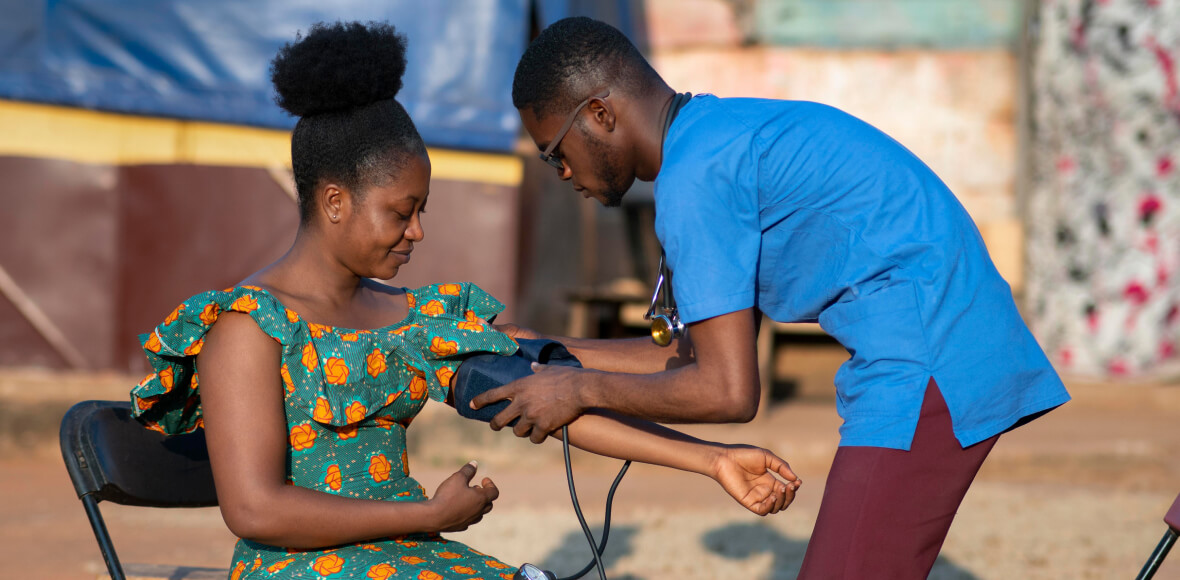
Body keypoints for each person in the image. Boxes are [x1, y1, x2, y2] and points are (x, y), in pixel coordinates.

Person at [129, 21, 800, 580]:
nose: (417, 232)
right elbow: (255, 510)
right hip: (302, 567)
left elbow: (552, 399)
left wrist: (711, 459)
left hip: (411, 557)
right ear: (335, 201)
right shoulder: (248, 327)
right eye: (401, 213)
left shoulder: (413, 321)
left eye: (422, 211)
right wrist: (425, 516)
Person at [472, 16, 1073, 580]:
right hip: (936, 342)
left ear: (600, 113)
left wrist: (577, 389)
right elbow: (694, 356)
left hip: (930, 357)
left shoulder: (695, 178)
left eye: (555, 152)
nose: (562, 173)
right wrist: (553, 349)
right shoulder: (709, 138)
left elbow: (727, 391)